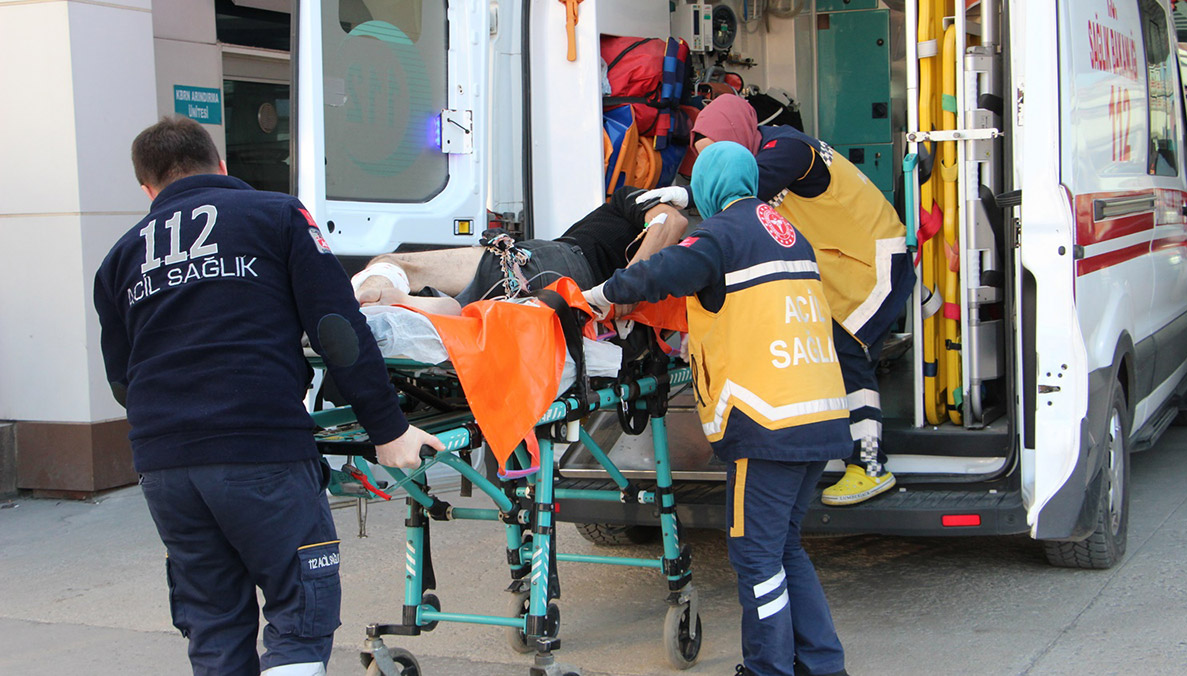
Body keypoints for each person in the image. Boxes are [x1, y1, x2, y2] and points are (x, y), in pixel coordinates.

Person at [93, 116, 444, 676]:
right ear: (223, 165)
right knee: (299, 611)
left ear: (147, 190)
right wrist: (389, 430)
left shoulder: (118, 259)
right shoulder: (276, 215)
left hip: (165, 466)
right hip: (261, 448)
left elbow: (121, 381)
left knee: (211, 622)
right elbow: (335, 327)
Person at [583, 142, 851, 676]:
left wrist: (600, 294)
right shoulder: (789, 233)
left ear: (709, 185)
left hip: (766, 423)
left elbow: (659, 272)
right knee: (783, 549)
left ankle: (767, 669)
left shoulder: (721, 234)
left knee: (755, 556)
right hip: (817, 417)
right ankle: (822, 664)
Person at [639, 94, 916, 506]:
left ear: (736, 140)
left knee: (846, 351)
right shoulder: (764, 146)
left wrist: (683, 200)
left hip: (872, 259)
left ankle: (869, 466)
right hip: (838, 259)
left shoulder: (787, 151)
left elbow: (738, 196)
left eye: (716, 153)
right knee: (830, 348)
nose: (711, 164)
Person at [352, 186, 689, 313]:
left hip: (554, 263)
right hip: (560, 278)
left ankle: (348, 308)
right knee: (456, 312)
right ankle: (388, 307)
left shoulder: (634, 199)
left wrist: (621, 293)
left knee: (394, 264)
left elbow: (670, 222)